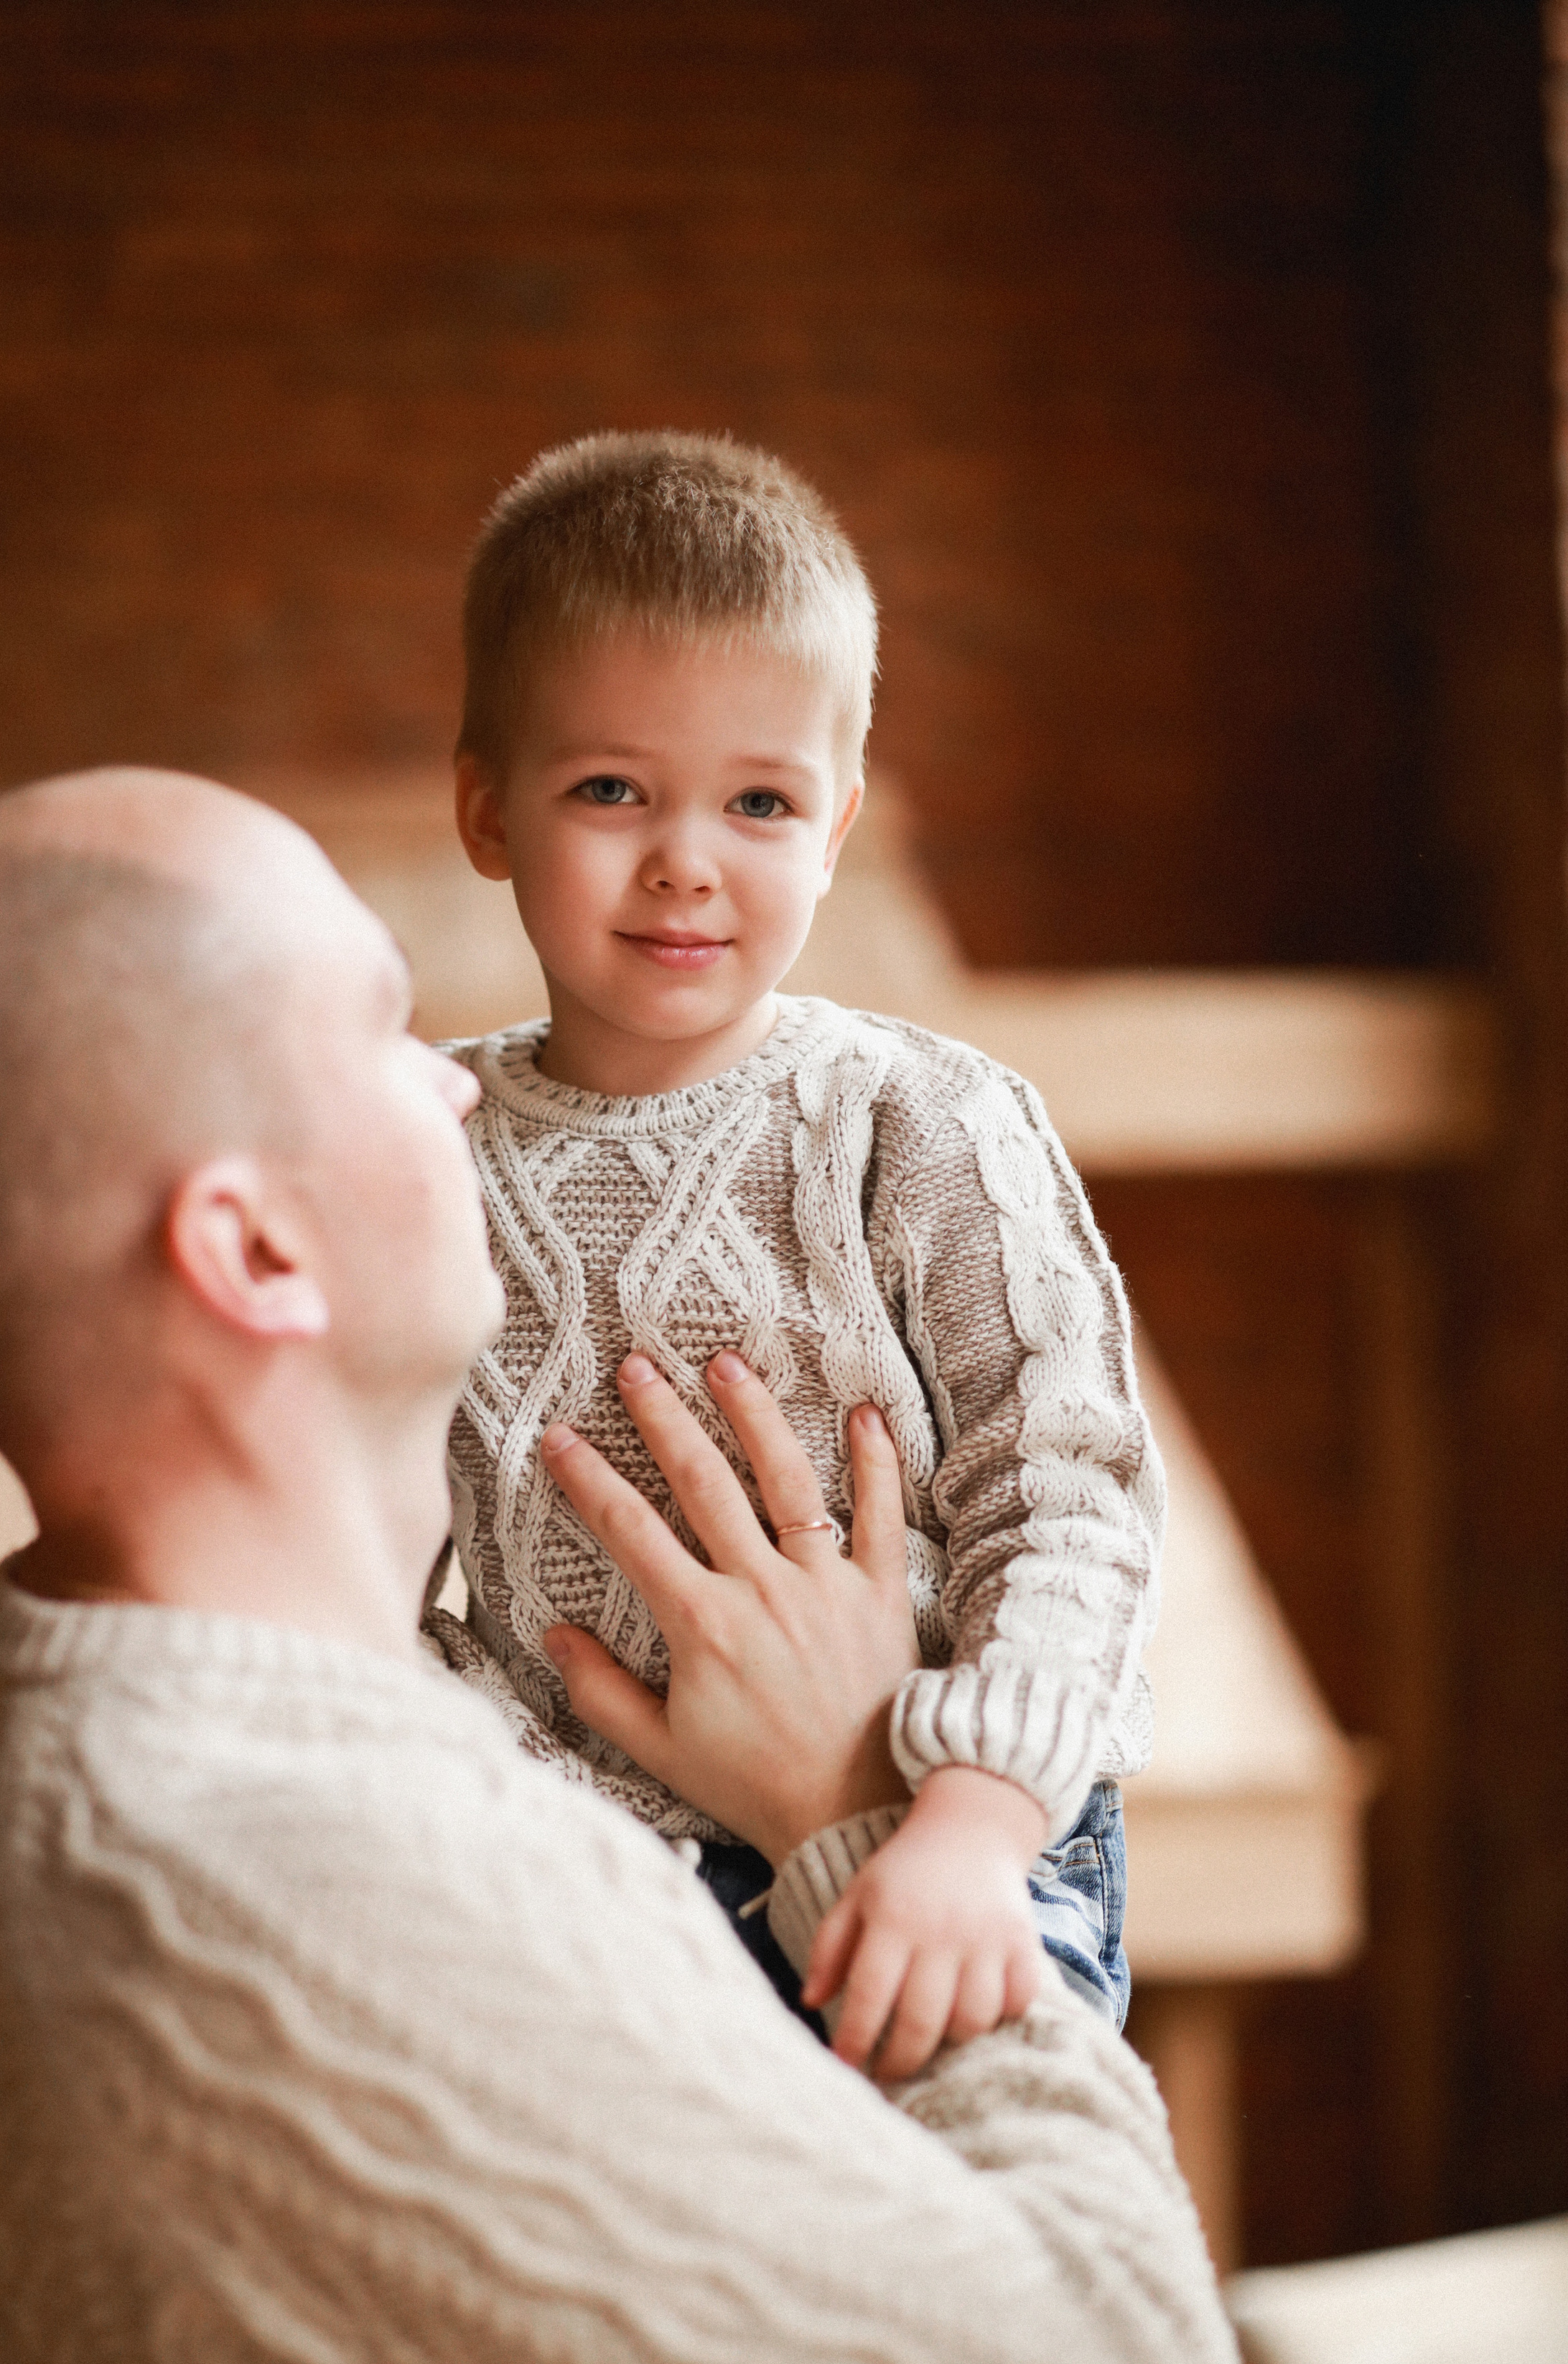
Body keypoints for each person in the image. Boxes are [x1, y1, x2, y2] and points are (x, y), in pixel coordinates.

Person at [0, 768, 1256, 2364]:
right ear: (255, 1250)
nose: (463, 1084)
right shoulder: (333, 1877)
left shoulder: (69, 1714)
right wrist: (862, 1823)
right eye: (387, 1032)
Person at [440, 432, 1163, 2100]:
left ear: (832, 824)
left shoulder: (919, 1121)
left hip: (932, 1831)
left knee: (963, 2251)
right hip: (572, 1893)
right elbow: (375, 1576)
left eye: (757, 802)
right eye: (610, 788)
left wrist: (977, 1826)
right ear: (487, 806)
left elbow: (1065, 1495)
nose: (686, 859)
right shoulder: (424, 1152)